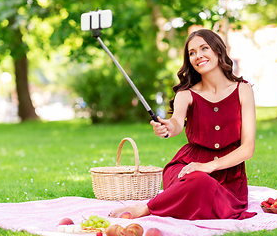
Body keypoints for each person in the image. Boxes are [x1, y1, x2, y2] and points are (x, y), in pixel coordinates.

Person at [109, 29, 257, 220]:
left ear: (218, 50)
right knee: (197, 181)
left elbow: (248, 149)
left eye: (204, 48)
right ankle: (150, 208)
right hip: (187, 167)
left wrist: (209, 166)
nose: (198, 56)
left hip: (228, 175)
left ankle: (150, 206)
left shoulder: (243, 90)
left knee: (204, 185)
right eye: (192, 52)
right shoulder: (186, 94)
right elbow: (176, 123)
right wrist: (167, 128)